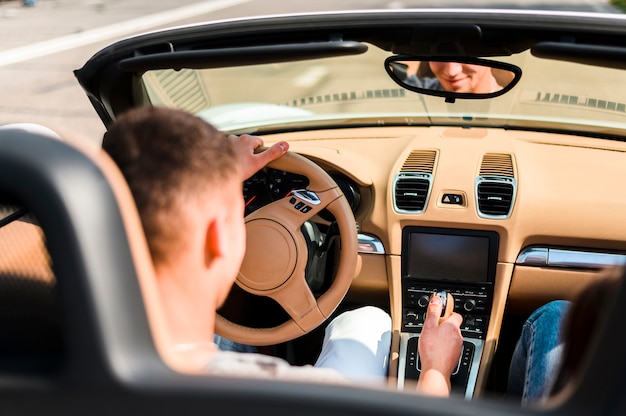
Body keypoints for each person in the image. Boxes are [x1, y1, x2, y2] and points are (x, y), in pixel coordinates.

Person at [101, 106, 464, 396]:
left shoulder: (57, 356)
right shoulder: (300, 397)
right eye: (238, 210)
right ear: (220, 237)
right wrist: (435, 370)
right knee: (366, 320)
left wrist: (220, 182)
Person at [402, 61, 504, 94]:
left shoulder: (513, 109)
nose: (451, 72)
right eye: (439, 55)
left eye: (466, 55)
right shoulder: (421, 92)